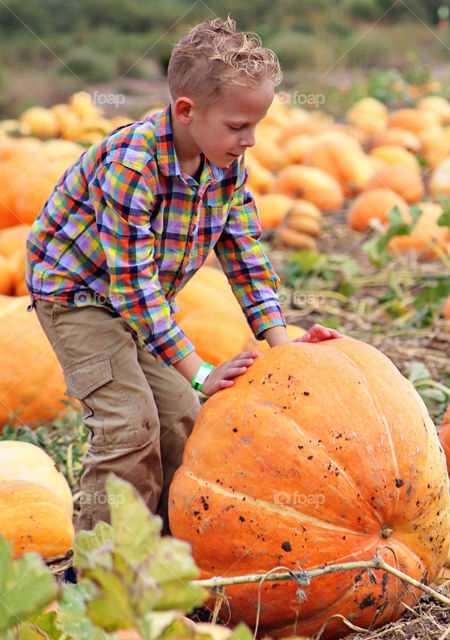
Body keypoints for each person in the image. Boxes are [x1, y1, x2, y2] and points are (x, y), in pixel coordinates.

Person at [25, 17, 341, 545]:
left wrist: (285, 347)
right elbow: (130, 286)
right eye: (239, 126)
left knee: (183, 422)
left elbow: (243, 253)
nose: (251, 141)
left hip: (145, 301)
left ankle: (172, 555)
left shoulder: (225, 164)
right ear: (186, 111)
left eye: (257, 126)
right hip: (78, 296)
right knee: (130, 427)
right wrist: (198, 371)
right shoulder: (133, 164)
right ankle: (105, 573)